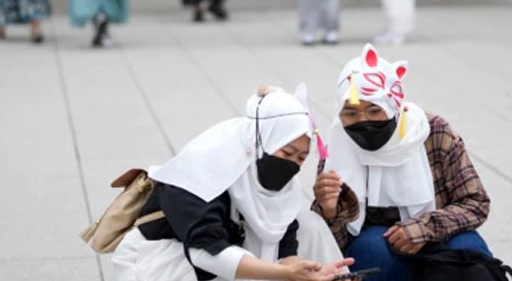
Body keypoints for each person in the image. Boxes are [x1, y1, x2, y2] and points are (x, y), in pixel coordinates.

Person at [114, 86, 352, 281]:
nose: (292, 164)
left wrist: (307, 271)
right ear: (260, 141)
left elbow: (286, 248)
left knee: (309, 224)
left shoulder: (280, 186)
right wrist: (284, 273)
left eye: (301, 158)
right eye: (286, 152)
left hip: (224, 260)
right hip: (165, 265)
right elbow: (205, 253)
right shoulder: (198, 174)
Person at [312, 45, 492, 281]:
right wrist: (329, 210)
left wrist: (424, 228)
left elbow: (475, 202)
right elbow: (330, 242)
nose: (362, 121)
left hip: (439, 228)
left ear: (392, 105)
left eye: (374, 110)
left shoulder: (431, 131)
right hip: (376, 243)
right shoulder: (339, 145)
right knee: (373, 250)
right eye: (351, 113)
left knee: (468, 251)